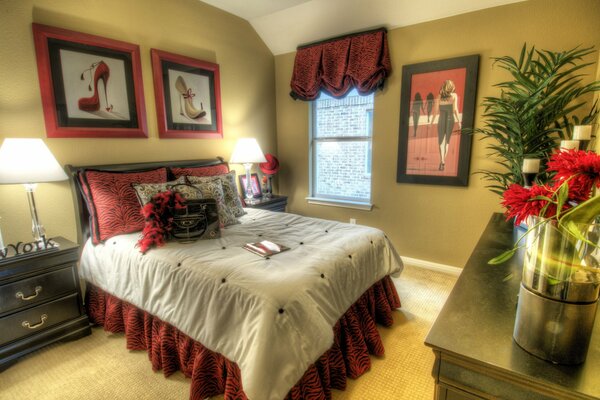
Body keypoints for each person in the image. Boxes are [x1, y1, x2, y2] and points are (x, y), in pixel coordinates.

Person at [430, 80, 461, 171]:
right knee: (447, 142)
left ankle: (442, 160)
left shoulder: (439, 97)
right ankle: (443, 162)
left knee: (440, 141)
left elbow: (435, 111)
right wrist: (459, 122)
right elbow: (455, 110)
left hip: (442, 120)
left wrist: (431, 122)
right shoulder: (454, 96)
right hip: (451, 119)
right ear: (451, 87)